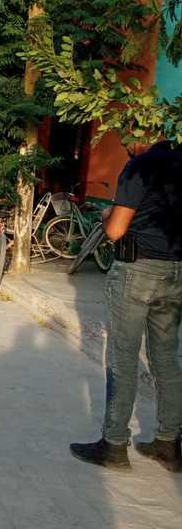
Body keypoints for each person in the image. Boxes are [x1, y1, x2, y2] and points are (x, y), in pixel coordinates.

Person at [70, 140, 182, 472]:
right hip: (177, 272)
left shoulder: (139, 168)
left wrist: (107, 215)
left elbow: (117, 230)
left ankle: (114, 444)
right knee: (167, 360)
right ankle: (168, 442)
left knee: (123, 357)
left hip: (138, 270)